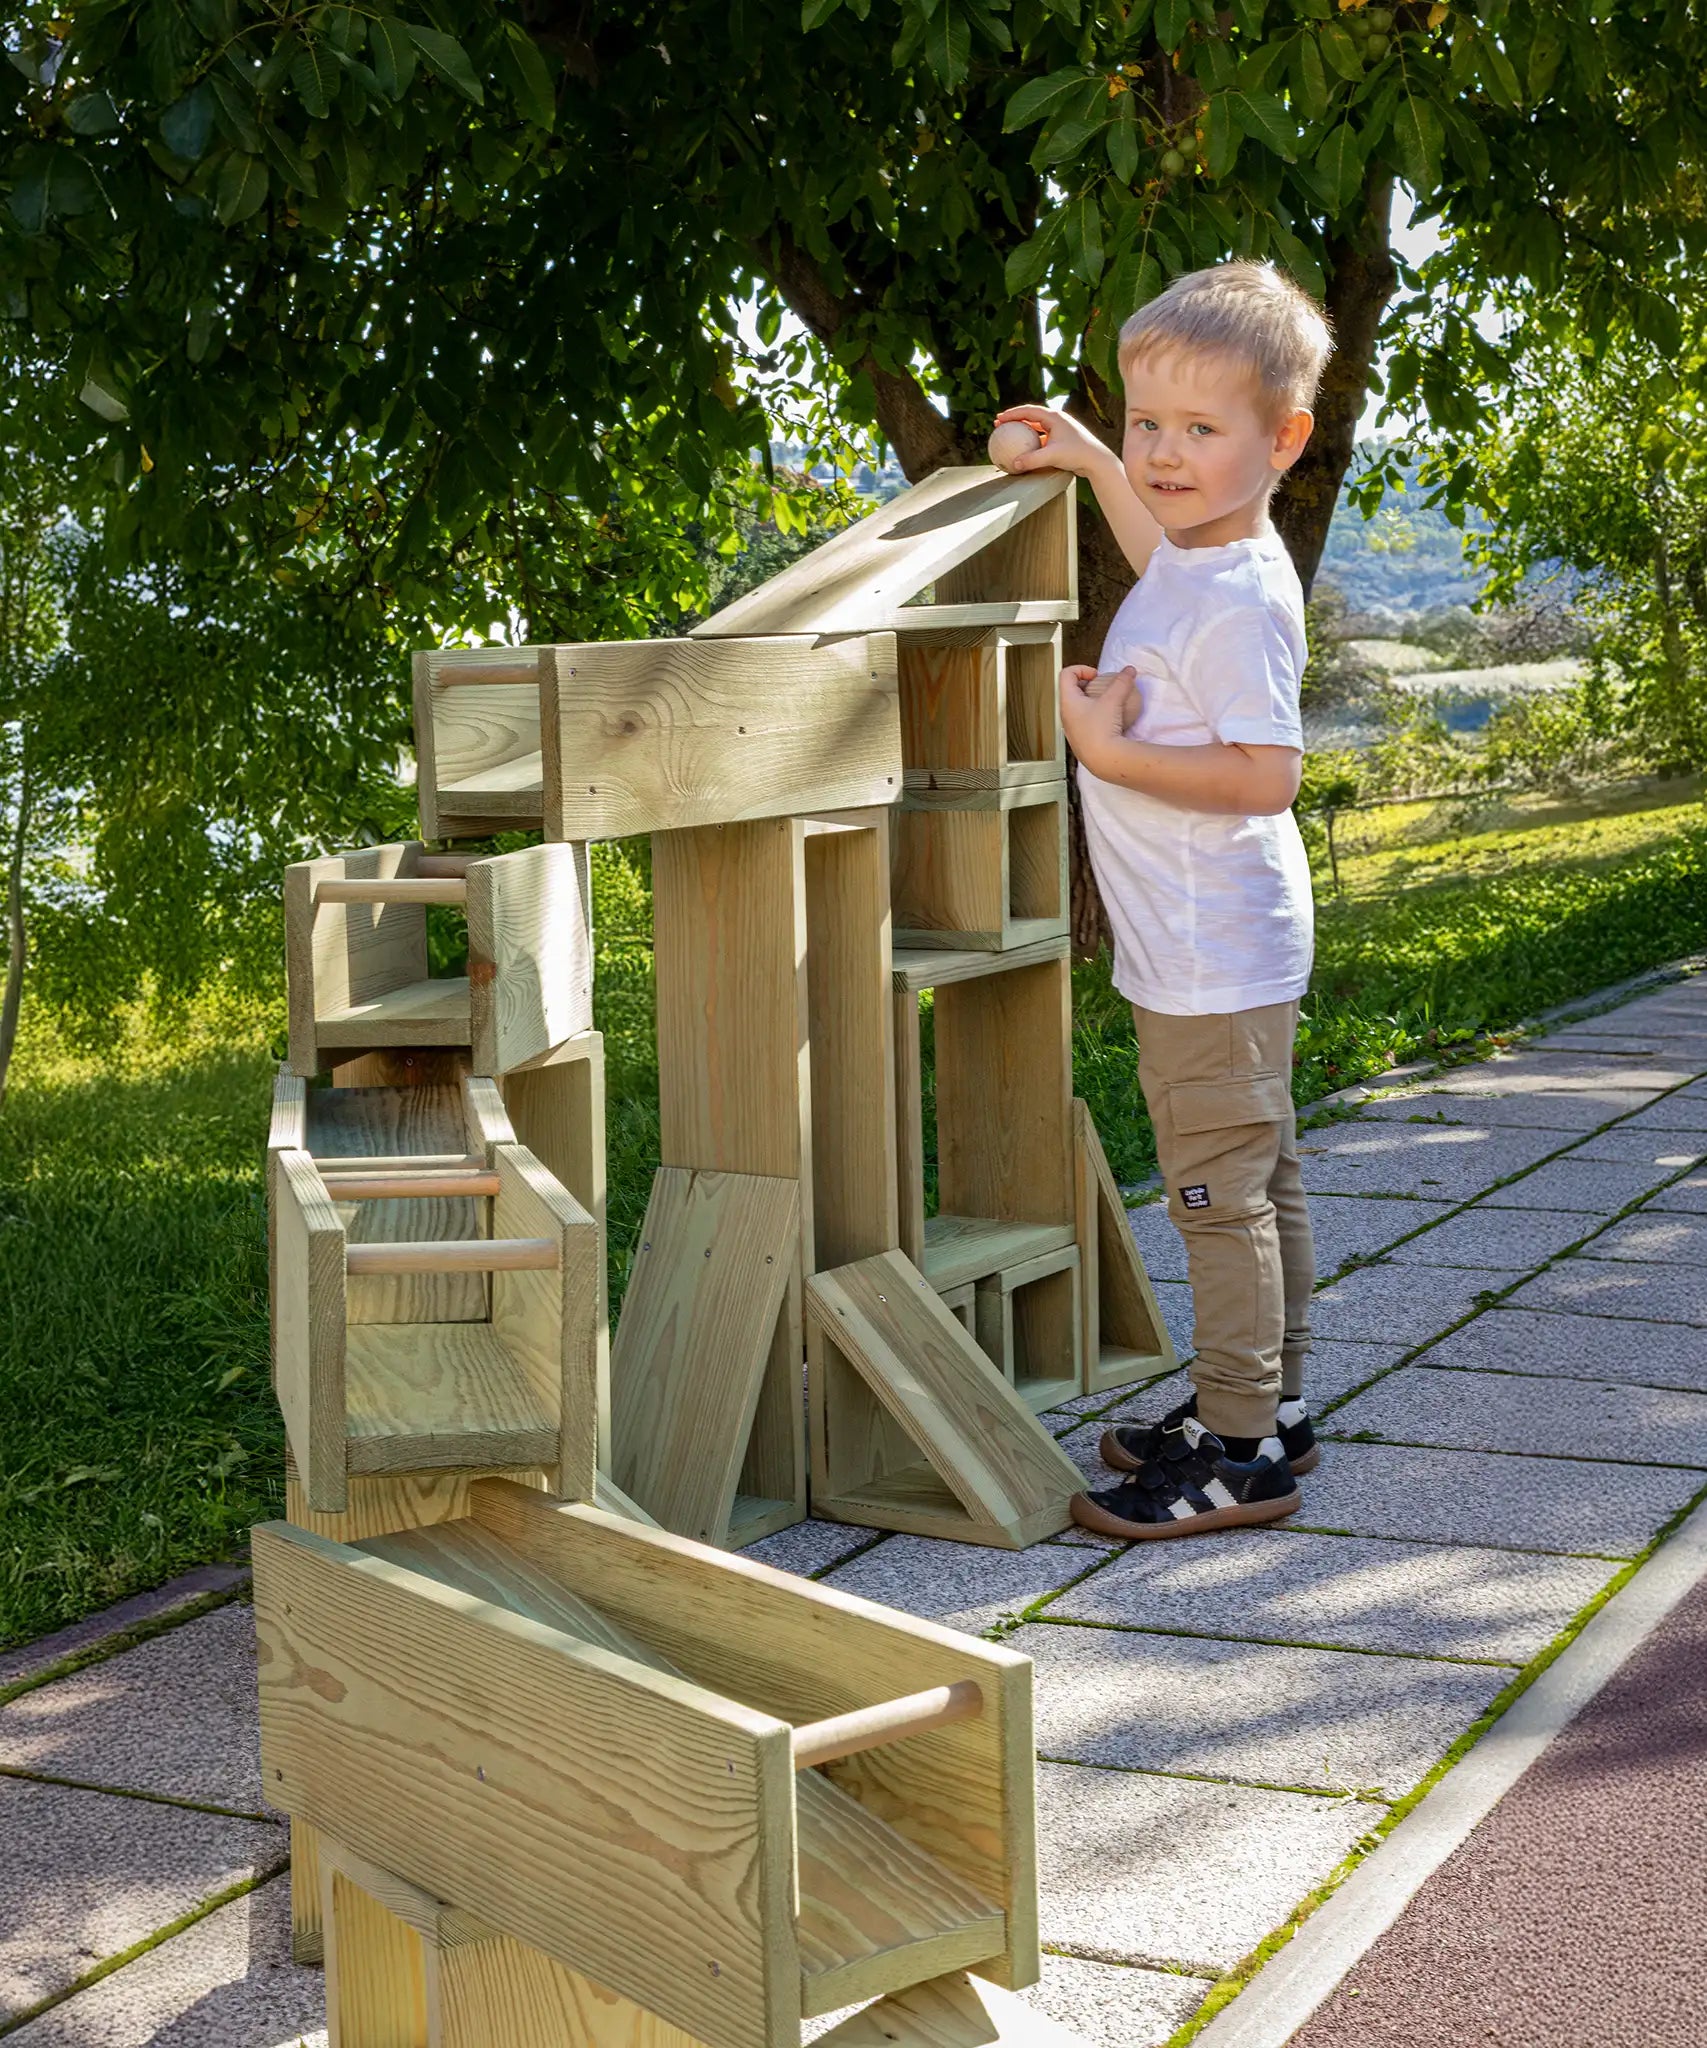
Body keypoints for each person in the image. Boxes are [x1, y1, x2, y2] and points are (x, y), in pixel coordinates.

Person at [993, 261, 1331, 1540]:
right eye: (1147, 424)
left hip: (1212, 953)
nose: (1165, 455)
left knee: (1217, 1196)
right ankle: (1269, 1405)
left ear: (1282, 439)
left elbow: (1267, 774)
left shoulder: (1239, 600)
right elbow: (1154, 548)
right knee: (1262, 1178)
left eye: (1201, 430)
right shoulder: (1204, 555)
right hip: (1218, 946)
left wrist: (1106, 750)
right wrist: (1089, 463)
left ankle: (1239, 1452)